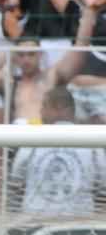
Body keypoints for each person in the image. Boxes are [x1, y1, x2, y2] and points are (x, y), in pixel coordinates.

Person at [9, 85, 106, 216]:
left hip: (34, 224)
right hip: (81, 225)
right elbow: (102, 184)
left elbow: (16, 179)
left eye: (44, 106)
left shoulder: (33, 138)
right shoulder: (91, 141)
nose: (41, 112)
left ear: (59, 108)